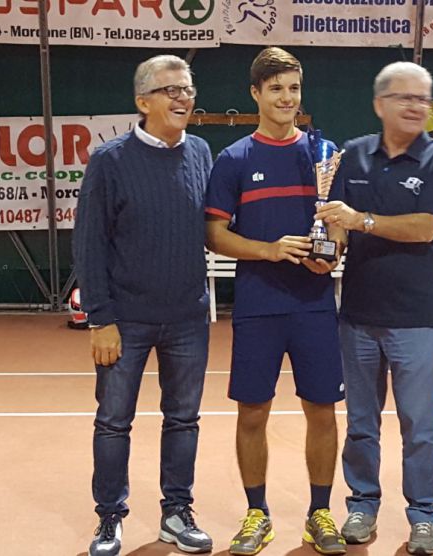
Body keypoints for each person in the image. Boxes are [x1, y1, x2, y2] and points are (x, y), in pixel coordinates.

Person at [204, 47, 348, 556]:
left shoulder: (324, 153)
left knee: (323, 411)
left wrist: (329, 255)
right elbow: (215, 235)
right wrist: (267, 250)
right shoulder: (234, 159)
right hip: (258, 304)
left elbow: (335, 223)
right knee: (252, 413)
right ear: (256, 94)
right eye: (276, 89)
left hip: (313, 305)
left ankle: (320, 513)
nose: (287, 98)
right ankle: (257, 514)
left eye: (293, 88)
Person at [314, 61, 433, 556]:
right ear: (380, 104)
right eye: (407, 97)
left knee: (419, 424)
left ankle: (423, 515)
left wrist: (362, 221)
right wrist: (324, 248)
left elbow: (425, 229)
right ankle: (362, 504)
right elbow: (337, 225)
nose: (418, 106)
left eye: (425, 98)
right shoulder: (352, 156)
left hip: (417, 320)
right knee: (360, 422)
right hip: (357, 317)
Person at [73, 55, 214, 556]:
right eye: (171, 89)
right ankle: (110, 518)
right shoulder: (109, 161)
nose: (183, 98)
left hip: (188, 319)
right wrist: (101, 319)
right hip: (124, 322)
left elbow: (214, 227)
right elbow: (89, 245)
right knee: (113, 422)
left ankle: (177, 513)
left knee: (184, 420)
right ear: (142, 102)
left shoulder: (200, 152)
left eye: (188, 89)